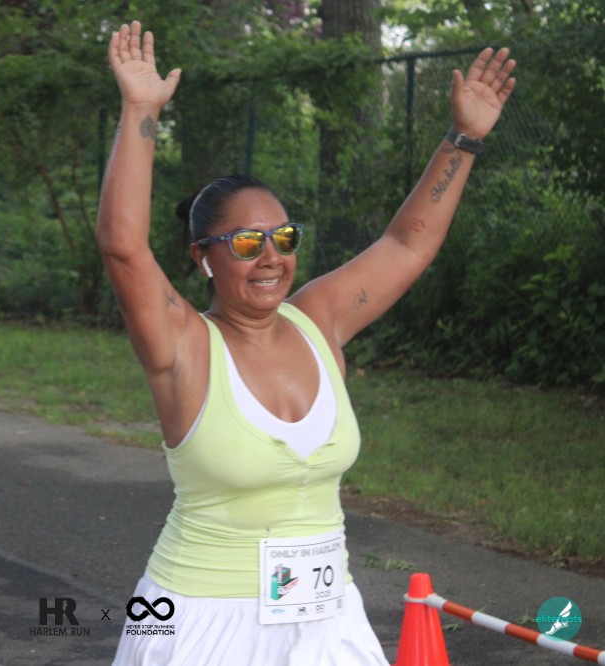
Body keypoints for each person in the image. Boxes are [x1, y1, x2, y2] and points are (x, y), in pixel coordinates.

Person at [97, 19, 516, 666]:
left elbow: (406, 244)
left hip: (326, 621)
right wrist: (141, 112)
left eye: (283, 237)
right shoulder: (184, 346)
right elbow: (123, 247)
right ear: (203, 258)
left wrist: (462, 139)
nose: (270, 257)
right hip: (202, 622)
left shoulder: (318, 320)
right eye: (246, 242)